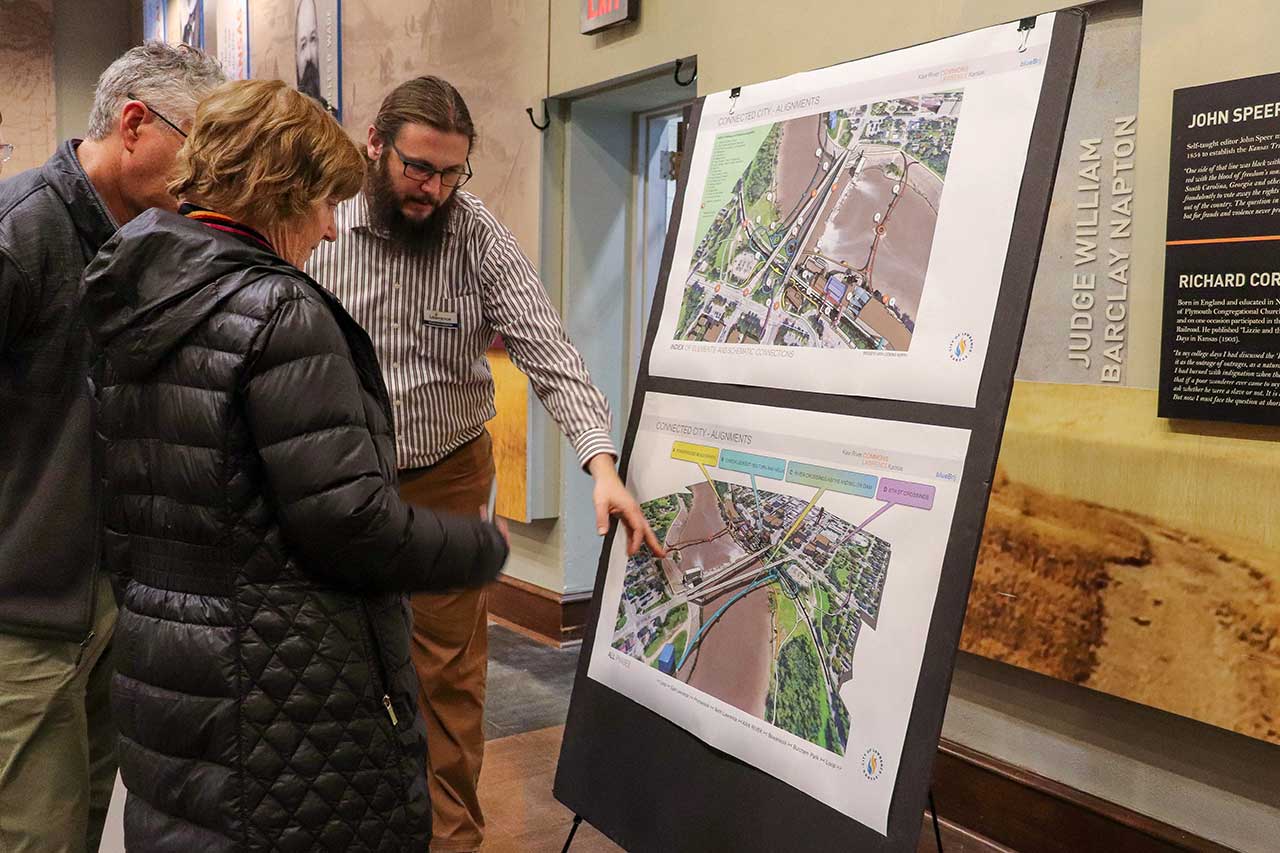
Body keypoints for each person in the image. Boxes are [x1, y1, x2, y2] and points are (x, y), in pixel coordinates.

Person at [81, 78, 509, 851]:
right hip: (277, 692)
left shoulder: (136, 287)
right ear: (277, 192)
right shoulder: (281, 312)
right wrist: (479, 546)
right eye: (320, 203)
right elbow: (348, 524)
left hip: (167, 672)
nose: (330, 229)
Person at [307, 75, 664, 853]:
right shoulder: (319, 225)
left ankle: (451, 839)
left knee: (446, 677)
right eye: (417, 168)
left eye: (450, 173)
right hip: (337, 478)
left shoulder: (476, 234)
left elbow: (550, 351)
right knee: (331, 659)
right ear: (375, 144)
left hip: (444, 477)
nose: (433, 189)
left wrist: (601, 462)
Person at [0, 43, 224, 853]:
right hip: (20, 617)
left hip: (106, 598)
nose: (204, 181)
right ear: (134, 123)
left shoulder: (151, 239)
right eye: (197, 153)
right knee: (34, 835)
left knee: (87, 820)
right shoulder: (19, 232)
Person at [295, 0, 321, 102]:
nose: (309, 56)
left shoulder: (334, 116)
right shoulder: (286, 115)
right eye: (303, 45)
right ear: (296, 55)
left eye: (313, 39)